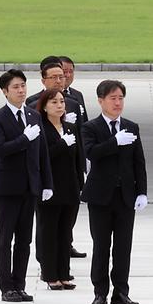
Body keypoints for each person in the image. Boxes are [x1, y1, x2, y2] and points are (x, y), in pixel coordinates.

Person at [81, 79, 147, 304]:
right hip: (100, 197)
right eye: (113, 98)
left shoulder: (131, 126)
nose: (118, 102)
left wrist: (142, 192)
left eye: (120, 98)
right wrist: (114, 142)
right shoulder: (90, 127)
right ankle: (100, 292)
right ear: (101, 101)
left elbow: (139, 162)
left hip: (125, 197)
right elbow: (91, 152)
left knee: (123, 247)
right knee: (101, 246)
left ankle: (121, 292)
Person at [0, 69, 53, 302]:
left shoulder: (34, 116)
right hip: (7, 188)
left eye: (23, 85)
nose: (21, 90)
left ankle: (20, 284)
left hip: (30, 187)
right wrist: (24, 138)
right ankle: (6, 287)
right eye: (15, 87)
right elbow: (1, 149)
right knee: (5, 239)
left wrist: (46, 182)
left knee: (24, 240)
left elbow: (42, 152)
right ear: (5, 91)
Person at [36, 88, 82, 290]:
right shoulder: (40, 129)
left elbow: (78, 159)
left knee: (65, 233)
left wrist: (80, 183)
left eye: (62, 102)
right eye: (54, 102)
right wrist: (62, 145)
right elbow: (42, 157)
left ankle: (64, 273)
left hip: (69, 187)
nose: (59, 106)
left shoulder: (71, 127)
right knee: (49, 232)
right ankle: (50, 274)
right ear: (45, 106)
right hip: (50, 188)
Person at [58, 55, 89, 258]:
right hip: (55, 158)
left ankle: (67, 242)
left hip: (74, 156)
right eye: (63, 72)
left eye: (70, 71)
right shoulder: (38, 99)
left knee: (73, 204)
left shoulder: (77, 96)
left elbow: (84, 126)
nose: (67, 76)